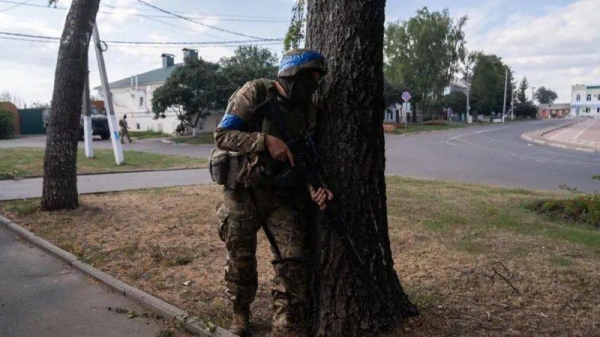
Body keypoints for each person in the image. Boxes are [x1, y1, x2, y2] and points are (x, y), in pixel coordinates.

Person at [213, 49, 333, 337]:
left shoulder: (309, 111)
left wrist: (316, 187)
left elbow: (304, 159)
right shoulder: (254, 93)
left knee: (293, 260)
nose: (313, 87)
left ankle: (284, 325)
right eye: (309, 79)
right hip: (243, 192)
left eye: (317, 80)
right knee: (241, 259)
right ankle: (240, 313)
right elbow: (222, 136)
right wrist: (264, 141)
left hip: (282, 196)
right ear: (291, 76)